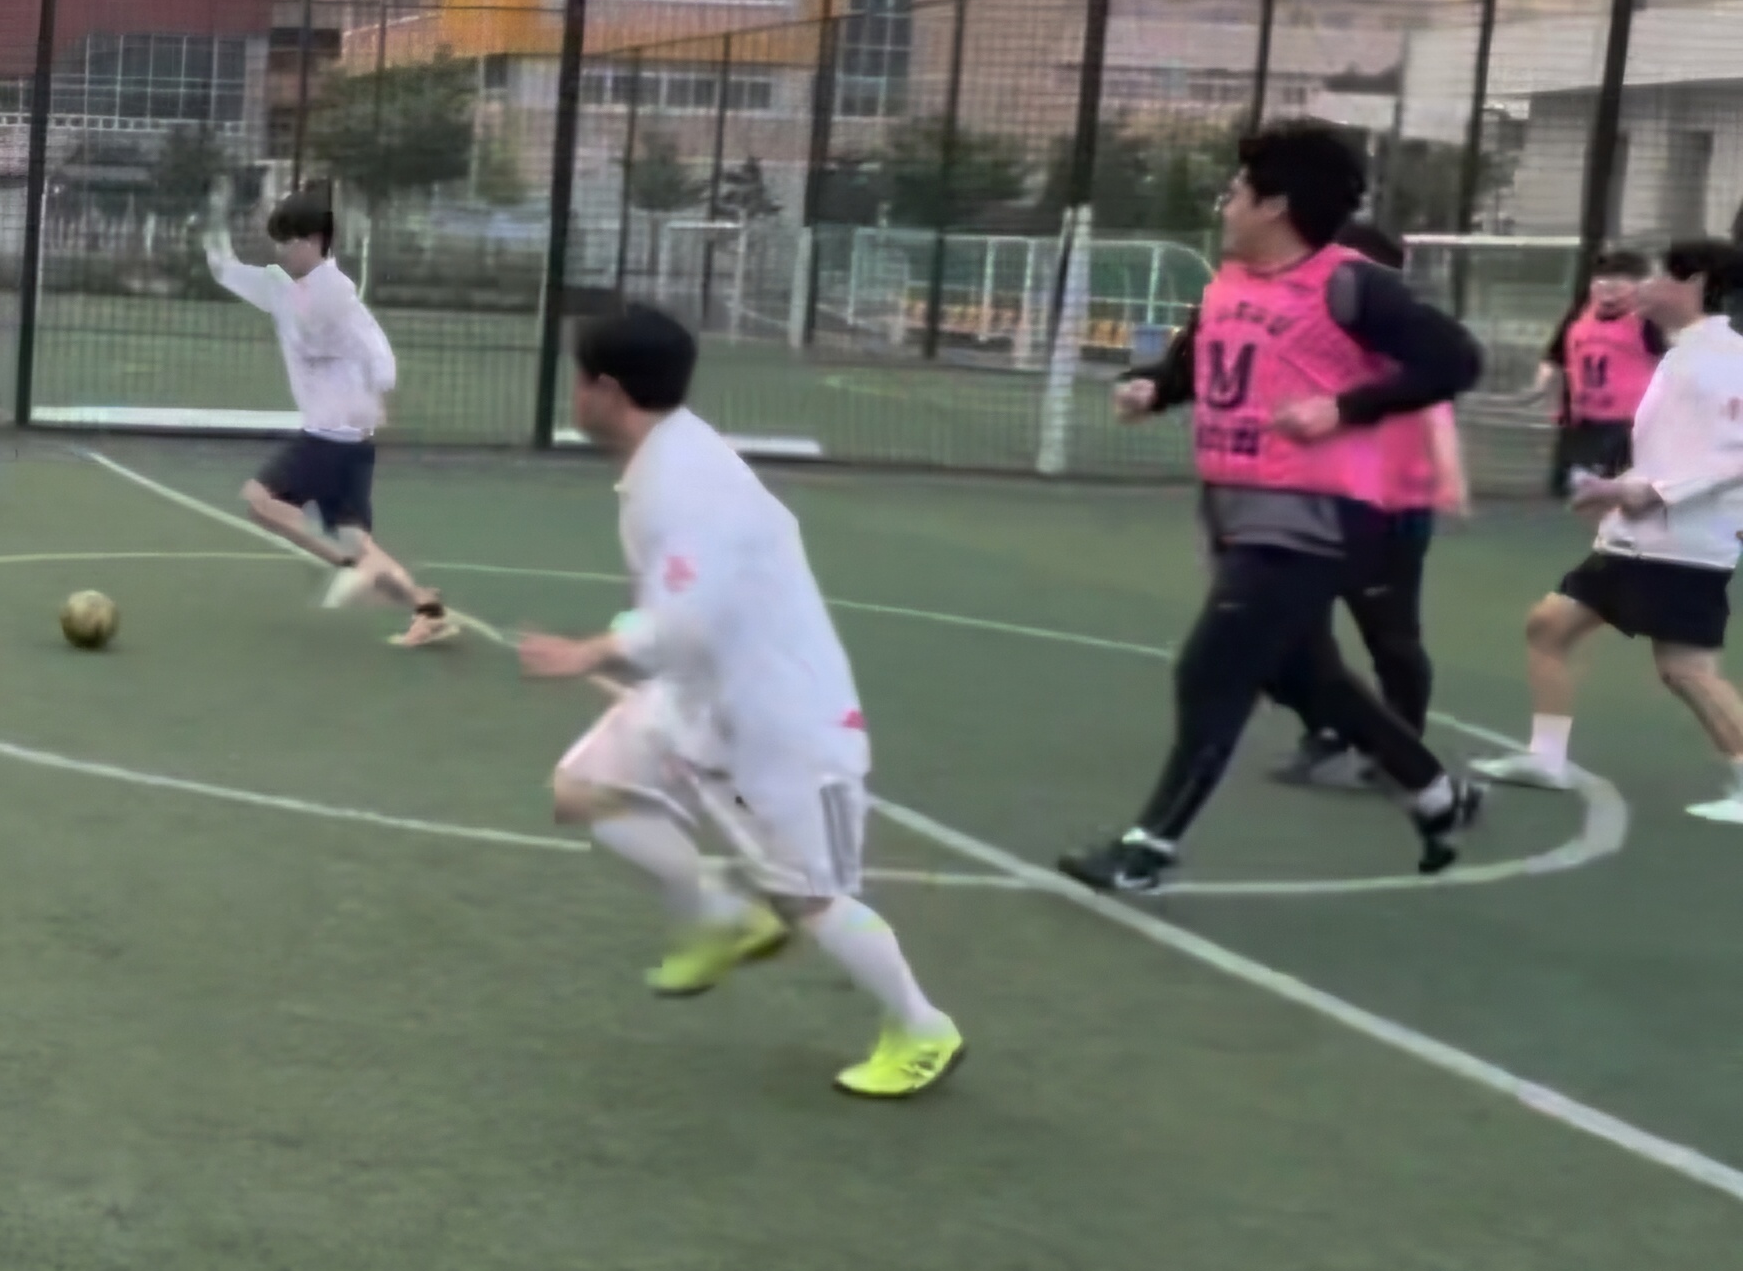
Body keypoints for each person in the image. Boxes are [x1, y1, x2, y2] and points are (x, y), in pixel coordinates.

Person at [516, 305, 965, 1100]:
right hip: (699, 699)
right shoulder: (666, 458)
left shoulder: (681, 483)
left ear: (607, 391)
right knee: (582, 791)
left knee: (813, 898)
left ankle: (922, 1027)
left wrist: (590, 652)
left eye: (579, 380)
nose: (574, 395)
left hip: (786, 721)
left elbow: (684, 620)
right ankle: (721, 916)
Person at [1062, 124, 1484, 894]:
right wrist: (1153, 388)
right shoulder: (1230, 284)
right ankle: (1435, 793)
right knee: (1303, 676)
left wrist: (1345, 407)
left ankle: (1150, 848)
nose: (1225, 204)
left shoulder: (1351, 285)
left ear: (1274, 205)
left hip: (1312, 512)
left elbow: (1455, 360)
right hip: (1232, 505)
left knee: (1212, 668)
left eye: (1236, 191)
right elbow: (1198, 366)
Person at [1476, 236, 1743, 824]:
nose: (1642, 288)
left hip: (1682, 543)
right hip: (1635, 536)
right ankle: (1547, 758)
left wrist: (1650, 493)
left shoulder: (1723, 358)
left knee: (1686, 670)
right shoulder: (1684, 353)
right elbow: (1675, 450)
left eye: (1657, 276)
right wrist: (1616, 490)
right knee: (1550, 626)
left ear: (1694, 284)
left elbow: (1733, 455)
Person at [196, 187, 457, 648]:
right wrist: (213, 221)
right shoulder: (283, 287)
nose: (283, 250)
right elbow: (225, 270)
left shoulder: (335, 290)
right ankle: (424, 607)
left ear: (316, 240)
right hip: (336, 437)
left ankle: (348, 566)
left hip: (334, 436)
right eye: (279, 241)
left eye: (291, 240)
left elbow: (374, 352)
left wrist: (375, 396)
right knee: (352, 539)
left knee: (260, 500)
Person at [1268, 218, 1464, 791]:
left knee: (1391, 637)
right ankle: (1327, 728)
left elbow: (1436, 409)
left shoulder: (1409, 339)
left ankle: (1401, 748)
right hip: (1312, 503)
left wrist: (1450, 475)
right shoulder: (1310, 334)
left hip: (1390, 509)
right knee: (1292, 630)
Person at [1531, 250, 1664, 498]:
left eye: (1619, 283)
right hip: (1582, 419)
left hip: (1629, 423)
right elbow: (1556, 356)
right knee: (1570, 492)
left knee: (1618, 492)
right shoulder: (1581, 313)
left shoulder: (1648, 320)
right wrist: (1545, 389)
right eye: (1602, 281)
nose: (1608, 291)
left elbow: (1671, 361)